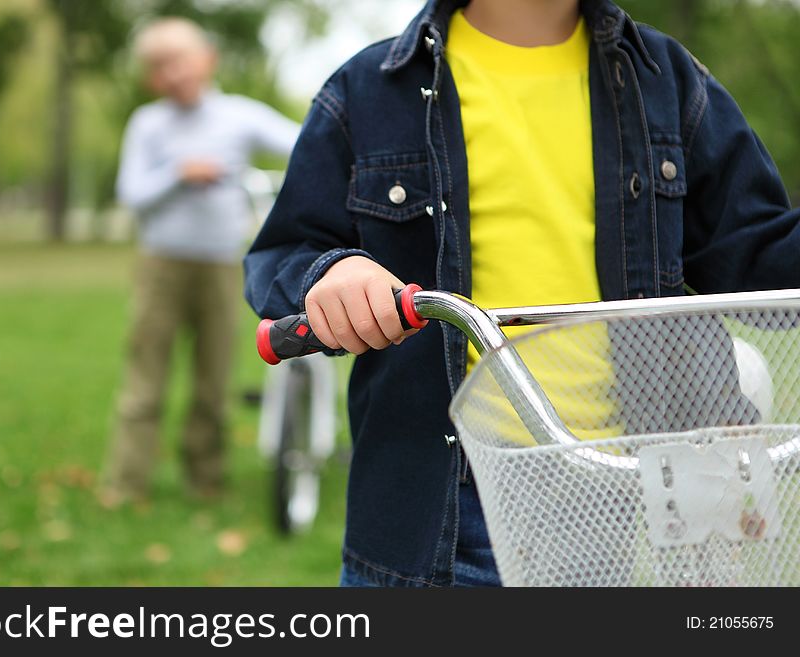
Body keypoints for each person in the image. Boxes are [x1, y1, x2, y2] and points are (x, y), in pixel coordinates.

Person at [244, 0, 800, 586]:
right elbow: (285, 252)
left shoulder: (664, 79)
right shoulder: (368, 90)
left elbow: (757, 253)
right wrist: (332, 274)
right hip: (441, 505)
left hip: (620, 493)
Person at [101, 17, 300, 506]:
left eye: (181, 59)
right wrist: (178, 172)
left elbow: (304, 143)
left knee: (213, 380)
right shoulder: (148, 123)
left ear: (207, 59)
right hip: (161, 266)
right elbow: (131, 193)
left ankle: (206, 480)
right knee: (145, 380)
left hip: (220, 266)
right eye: (160, 66)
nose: (174, 72)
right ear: (151, 78)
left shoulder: (239, 116)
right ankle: (126, 485)